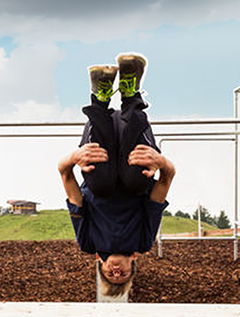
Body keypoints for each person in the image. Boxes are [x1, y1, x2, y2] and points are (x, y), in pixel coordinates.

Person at [58, 53, 175, 297]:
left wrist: (73, 158)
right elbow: (164, 184)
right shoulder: (142, 242)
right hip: (135, 164)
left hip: (99, 165)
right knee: (134, 181)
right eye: (123, 275)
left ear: (101, 264)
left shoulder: (89, 244)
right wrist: (161, 162)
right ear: (133, 264)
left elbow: (68, 183)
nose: (116, 272)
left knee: (100, 184)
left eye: (110, 275)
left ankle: (100, 98)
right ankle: (131, 93)